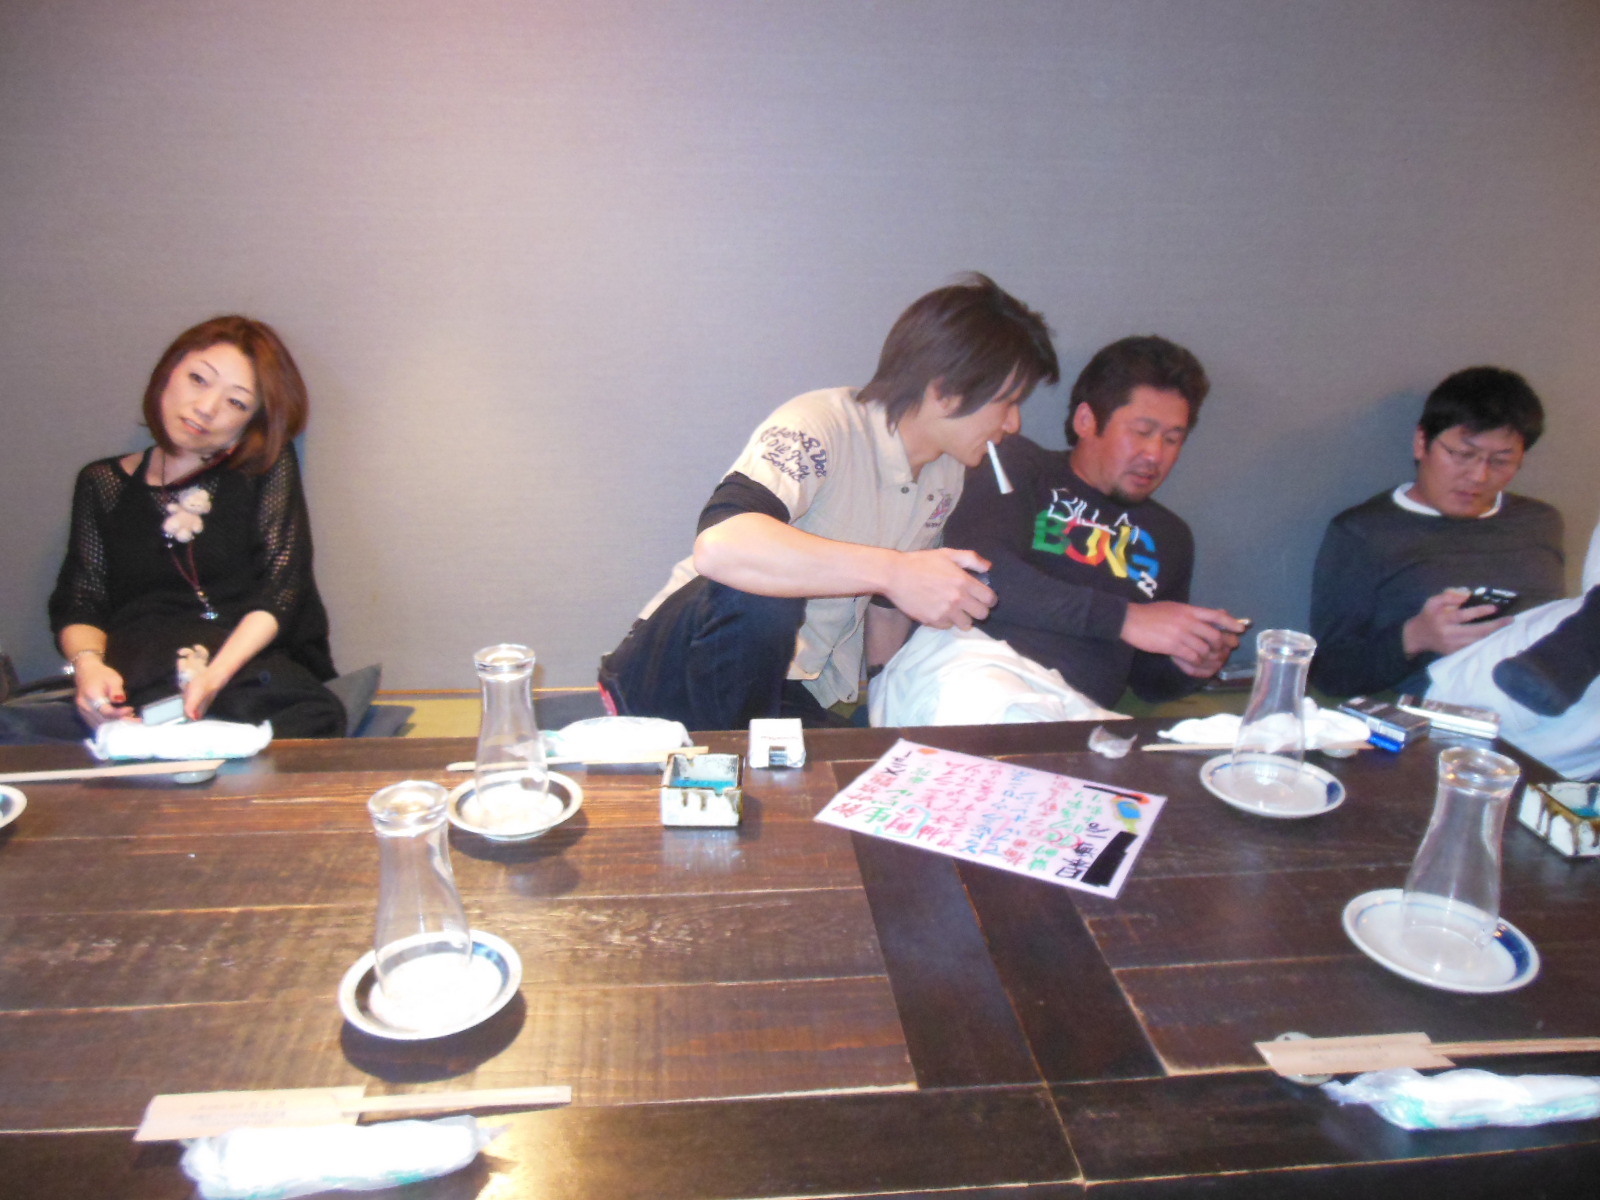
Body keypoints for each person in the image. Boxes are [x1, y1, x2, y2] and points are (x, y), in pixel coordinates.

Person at [598, 274, 1060, 730]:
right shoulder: (820, 425)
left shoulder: (946, 473)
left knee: (877, 767)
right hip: (674, 670)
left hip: (780, 690)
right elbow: (722, 546)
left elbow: (887, 605)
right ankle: (729, 761)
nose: (1014, 424)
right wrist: (895, 570)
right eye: (1007, 402)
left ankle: (750, 760)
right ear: (944, 392)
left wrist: (885, 703)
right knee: (760, 589)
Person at [871, 335, 1243, 726]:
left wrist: (1191, 661)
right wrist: (1125, 618)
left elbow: (1148, 681)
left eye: (1172, 439)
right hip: (969, 669)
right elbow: (982, 573)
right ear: (1086, 420)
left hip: (1072, 712)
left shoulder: (1171, 537)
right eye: (1142, 431)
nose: (1155, 454)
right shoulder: (1015, 464)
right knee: (1010, 721)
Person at [19, 315, 345, 741]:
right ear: (169, 372)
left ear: (251, 422)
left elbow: (282, 588)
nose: (206, 408)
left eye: (236, 403)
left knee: (314, 715)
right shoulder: (102, 483)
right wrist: (89, 669)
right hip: (138, 669)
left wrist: (214, 677)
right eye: (198, 379)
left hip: (239, 669)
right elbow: (82, 599)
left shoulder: (262, 470)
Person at [1309, 366, 1596, 778]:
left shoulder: (1540, 521)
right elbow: (1331, 673)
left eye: (1501, 461)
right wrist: (1415, 637)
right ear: (1422, 442)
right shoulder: (1364, 532)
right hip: (1453, 711)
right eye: (1462, 455)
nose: (1478, 476)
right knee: (1581, 616)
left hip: (1559, 733)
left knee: (1578, 630)